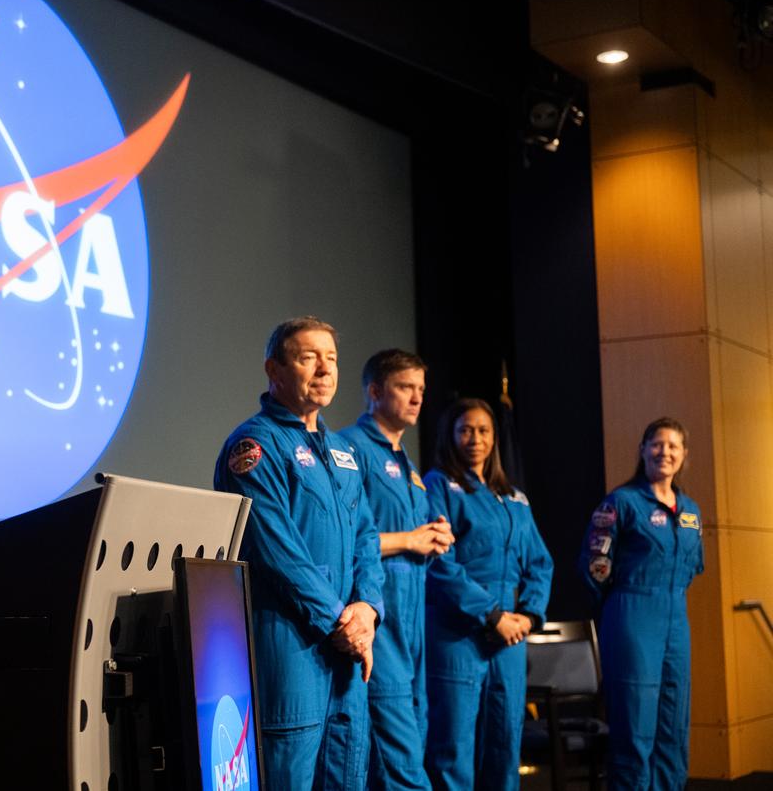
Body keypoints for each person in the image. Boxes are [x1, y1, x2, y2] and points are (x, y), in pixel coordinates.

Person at [214, 316, 384, 791]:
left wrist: (367, 609)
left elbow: (367, 537)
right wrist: (340, 622)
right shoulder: (254, 447)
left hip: (348, 651)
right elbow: (278, 552)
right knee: (290, 774)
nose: (324, 370)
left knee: (347, 773)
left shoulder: (344, 452)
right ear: (275, 369)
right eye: (309, 358)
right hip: (292, 647)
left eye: (331, 359)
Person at [422, 398, 552, 791]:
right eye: (465, 429)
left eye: (483, 431)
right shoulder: (438, 485)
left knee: (504, 742)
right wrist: (492, 614)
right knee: (454, 747)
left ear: (495, 438)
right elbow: (440, 562)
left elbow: (540, 563)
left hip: (510, 634)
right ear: (451, 434)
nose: (474, 438)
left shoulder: (513, 497)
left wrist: (527, 616)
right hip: (459, 632)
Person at [339, 349, 451, 790]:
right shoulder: (350, 449)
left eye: (421, 389)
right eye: (406, 387)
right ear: (374, 391)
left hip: (414, 619)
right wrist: (409, 539)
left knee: (412, 740)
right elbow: (345, 540)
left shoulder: (407, 463)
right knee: (402, 763)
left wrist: (433, 538)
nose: (417, 397)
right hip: (378, 616)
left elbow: (410, 534)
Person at [579, 418, 702, 791]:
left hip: (675, 620)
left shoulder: (690, 510)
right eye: (657, 444)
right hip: (633, 616)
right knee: (635, 727)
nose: (665, 452)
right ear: (642, 450)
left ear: (683, 456)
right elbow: (594, 567)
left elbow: (694, 566)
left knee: (672, 725)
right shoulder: (621, 502)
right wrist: (621, 606)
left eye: (673, 446)